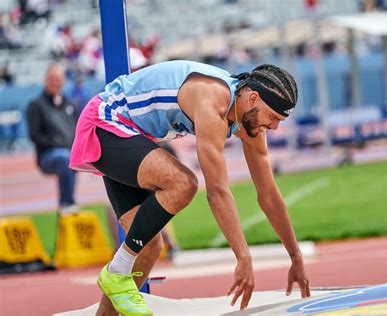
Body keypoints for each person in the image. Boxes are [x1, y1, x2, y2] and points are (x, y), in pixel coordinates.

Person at [70, 60, 310, 315]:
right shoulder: (211, 104)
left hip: (129, 133)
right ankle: (117, 271)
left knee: (149, 247)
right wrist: (243, 257)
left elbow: (269, 195)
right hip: (106, 121)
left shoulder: (247, 120)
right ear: (253, 98)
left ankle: (112, 292)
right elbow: (217, 192)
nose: (273, 128)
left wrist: (295, 257)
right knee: (183, 183)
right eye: (273, 118)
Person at [27, 64, 79, 214]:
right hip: (48, 156)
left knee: (73, 158)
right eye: (52, 79)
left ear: (63, 81)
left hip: (70, 153)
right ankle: (67, 204)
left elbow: (78, 130)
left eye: (59, 79)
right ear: (45, 80)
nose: (55, 83)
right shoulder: (36, 105)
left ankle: (69, 203)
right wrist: (58, 143)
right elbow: (34, 135)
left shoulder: (70, 104)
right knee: (64, 157)